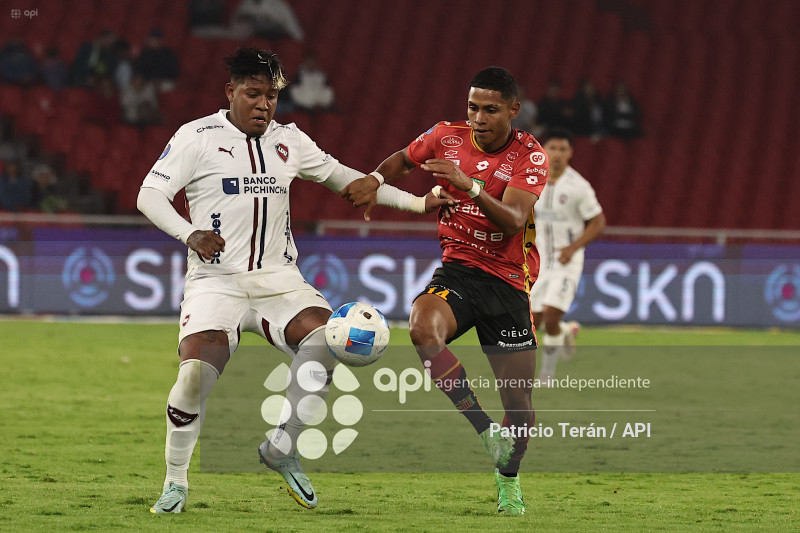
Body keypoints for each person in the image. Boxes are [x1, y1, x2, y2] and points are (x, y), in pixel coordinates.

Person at [138, 47, 452, 514]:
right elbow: (150, 194)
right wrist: (191, 233)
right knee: (192, 378)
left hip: (280, 282)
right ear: (231, 92)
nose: (264, 104)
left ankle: (282, 446)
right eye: (253, 93)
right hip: (215, 283)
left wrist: (419, 204)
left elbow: (351, 182)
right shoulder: (197, 136)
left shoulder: (290, 141)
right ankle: (176, 482)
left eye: (271, 96)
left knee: (329, 341)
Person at [342, 67, 547, 515]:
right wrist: (376, 182)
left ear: (513, 110)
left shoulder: (530, 156)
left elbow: (512, 220)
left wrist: (467, 184)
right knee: (422, 328)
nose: (478, 117)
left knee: (521, 406)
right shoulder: (444, 135)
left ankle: (508, 477)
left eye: (490, 109)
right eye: (472, 107)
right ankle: (484, 430)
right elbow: (400, 158)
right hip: (458, 271)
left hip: (508, 282)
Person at [529, 129, 605, 384]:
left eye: (563, 149)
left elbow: (598, 222)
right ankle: (566, 331)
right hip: (539, 262)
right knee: (535, 322)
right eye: (553, 148)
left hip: (566, 262)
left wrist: (573, 248)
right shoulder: (532, 180)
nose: (557, 154)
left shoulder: (578, 187)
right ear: (543, 150)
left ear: (570, 153)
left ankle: (547, 375)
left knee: (551, 314)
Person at [231, 0, 305, 41]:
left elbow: (295, 30)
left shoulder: (280, 5)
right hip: (252, 39)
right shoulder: (246, 3)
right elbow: (236, 22)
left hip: (275, 40)